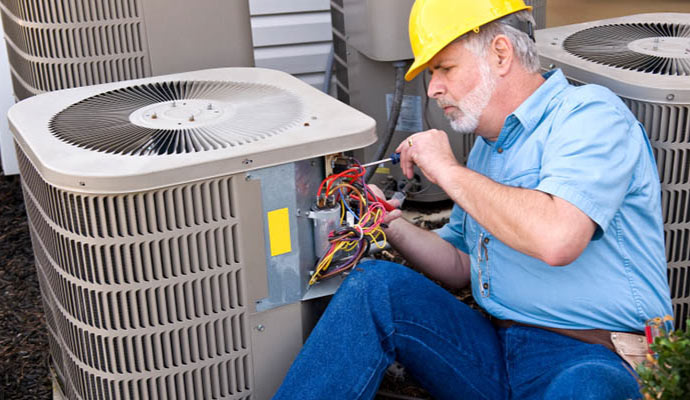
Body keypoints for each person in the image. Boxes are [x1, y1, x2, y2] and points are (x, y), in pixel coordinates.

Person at [274, 0, 673, 398]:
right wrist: (385, 222)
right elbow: (460, 265)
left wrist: (447, 170)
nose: (432, 89)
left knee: (586, 390)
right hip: (496, 350)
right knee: (376, 287)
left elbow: (558, 238)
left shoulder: (590, 117)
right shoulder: (486, 149)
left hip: (594, 353)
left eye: (444, 68)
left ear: (501, 54)